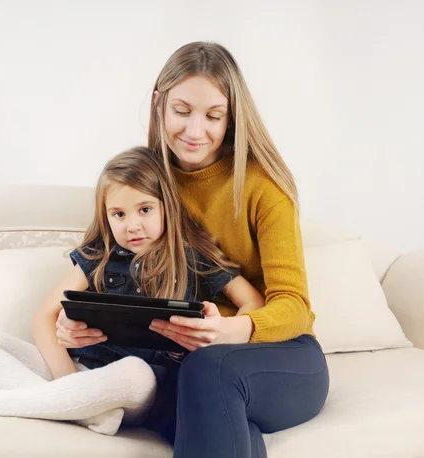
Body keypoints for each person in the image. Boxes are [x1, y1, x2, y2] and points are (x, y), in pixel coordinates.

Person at [55, 42, 330, 457]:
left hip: (281, 357)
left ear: (232, 116)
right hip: (190, 367)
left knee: (207, 368)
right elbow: (111, 269)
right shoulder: (146, 184)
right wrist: (76, 327)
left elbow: (294, 307)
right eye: (182, 111)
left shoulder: (264, 187)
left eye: (213, 115)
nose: (195, 130)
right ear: (158, 105)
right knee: (193, 395)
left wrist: (226, 331)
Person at [0, 146, 265, 437]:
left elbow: (253, 301)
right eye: (119, 214)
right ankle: (84, 411)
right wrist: (67, 379)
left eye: (145, 209)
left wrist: (221, 328)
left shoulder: (193, 256)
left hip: (142, 387)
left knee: (134, 371)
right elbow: (44, 316)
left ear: (167, 207)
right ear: (106, 216)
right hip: (86, 375)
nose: (133, 225)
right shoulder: (99, 256)